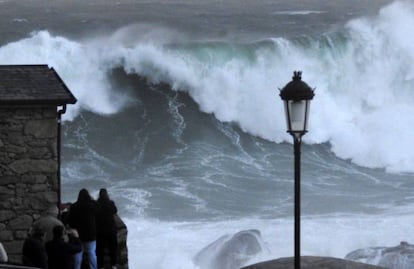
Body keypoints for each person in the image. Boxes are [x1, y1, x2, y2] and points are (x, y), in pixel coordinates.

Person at [68, 189, 98, 269]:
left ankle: (77, 267)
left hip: (78, 234)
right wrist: (92, 199)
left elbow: (70, 221)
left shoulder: (74, 206)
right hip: (91, 234)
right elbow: (98, 210)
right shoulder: (92, 205)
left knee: (78, 253)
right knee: (91, 253)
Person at [96, 188, 118, 269]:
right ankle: (113, 265)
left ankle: (101, 266)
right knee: (113, 248)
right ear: (107, 194)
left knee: (100, 249)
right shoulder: (111, 203)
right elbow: (115, 211)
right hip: (111, 229)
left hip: (101, 230)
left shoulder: (97, 204)